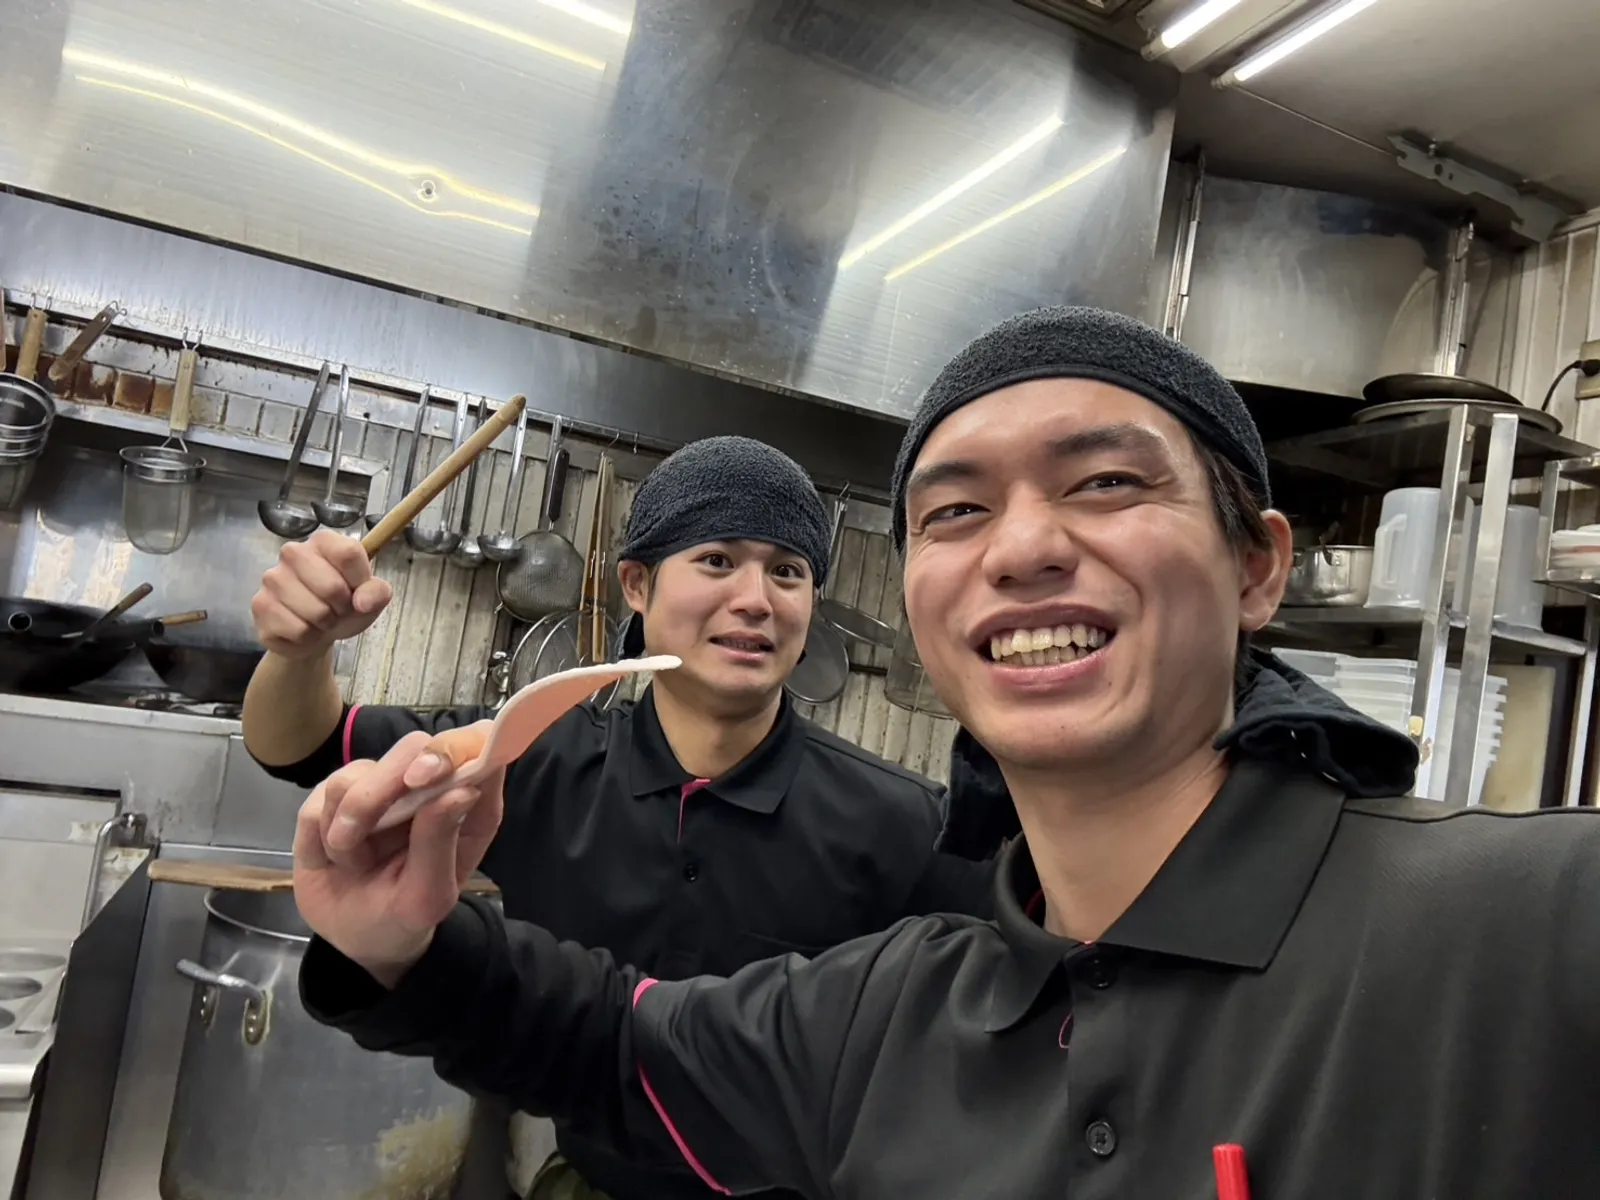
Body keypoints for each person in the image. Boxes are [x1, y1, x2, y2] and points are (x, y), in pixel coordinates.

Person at [292, 307, 1600, 1197]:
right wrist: (407, 937)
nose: (1022, 547)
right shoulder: (890, 1017)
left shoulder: (1529, 936)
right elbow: (612, 1047)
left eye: (1103, 483)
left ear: (1258, 568)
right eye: (957, 510)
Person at [242, 435, 994, 1200]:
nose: (756, 598)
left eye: (788, 572)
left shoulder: (902, 821)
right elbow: (298, 743)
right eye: (717, 560)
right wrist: (299, 652)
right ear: (637, 585)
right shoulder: (527, 755)